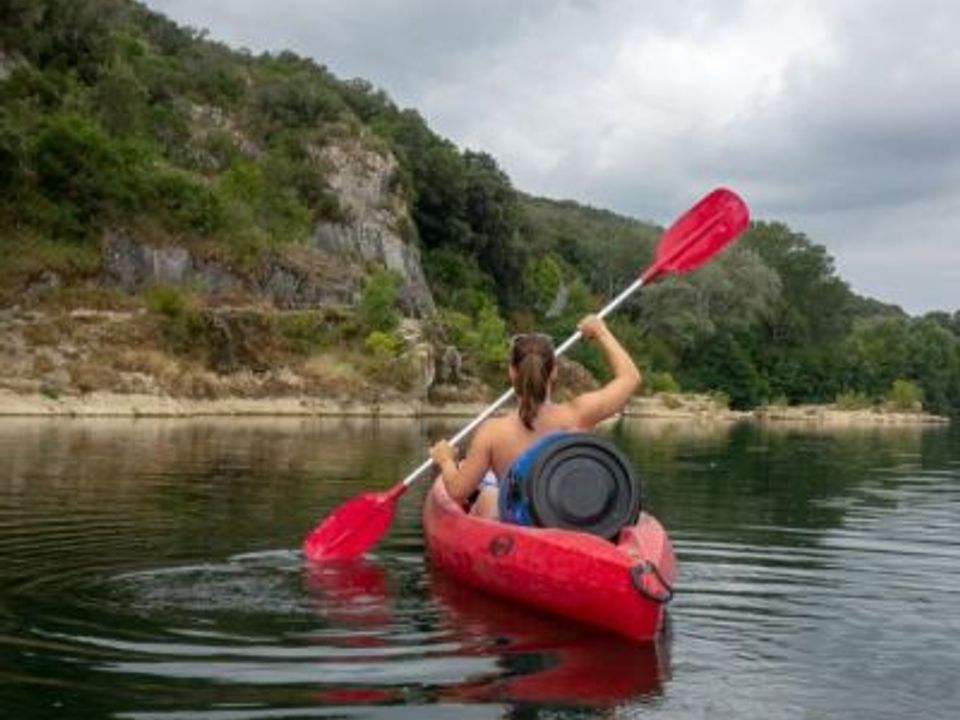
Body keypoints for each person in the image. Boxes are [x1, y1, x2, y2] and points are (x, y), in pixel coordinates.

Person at [429, 314, 641, 521]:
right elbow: (630, 378)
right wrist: (601, 332)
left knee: (488, 496)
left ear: (512, 372)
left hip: (522, 525)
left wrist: (446, 460)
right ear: (554, 372)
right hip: (569, 520)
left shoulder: (493, 432)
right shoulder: (580, 414)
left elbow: (457, 491)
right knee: (490, 494)